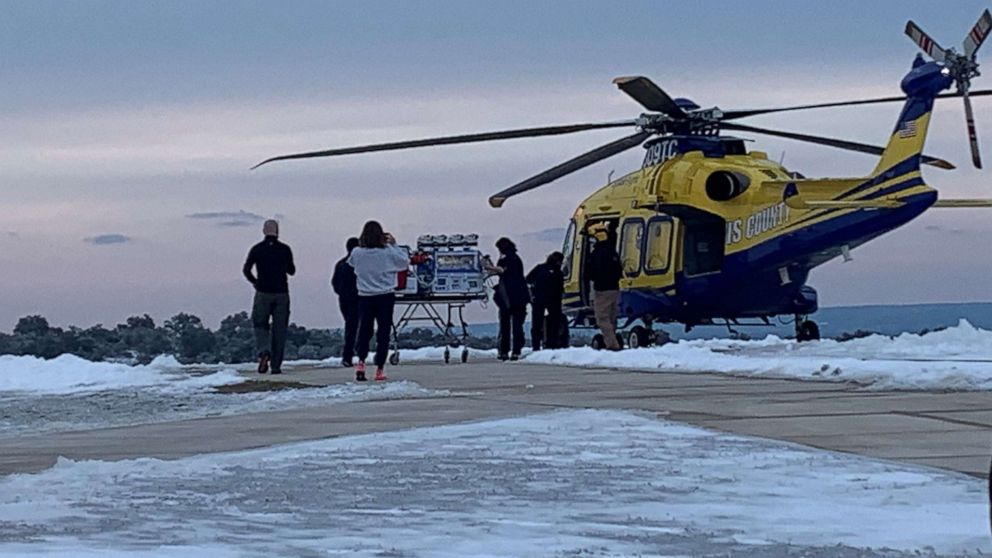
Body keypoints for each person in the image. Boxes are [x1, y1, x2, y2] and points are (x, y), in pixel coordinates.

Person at [348, 220, 409, 382]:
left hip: (365, 296)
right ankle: (379, 368)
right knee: (383, 332)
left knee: (364, 331)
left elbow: (352, 265)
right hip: (385, 296)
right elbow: (404, 263)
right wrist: (394, 245)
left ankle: (361, 362)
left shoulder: (357, 252)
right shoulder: (388, 252)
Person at [243, 219, 296, 374]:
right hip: (281, 293)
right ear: (277, 232)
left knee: (260, 324)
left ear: (264, 231)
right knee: (280, 330)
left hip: (263, 292)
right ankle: (276, 366)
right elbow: (291, 271)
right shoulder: (285, 249)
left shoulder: (257, 249)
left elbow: (246, 269)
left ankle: (264, 351)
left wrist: (256, 282)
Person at [485, 237, 529, 361]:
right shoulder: (515, 258)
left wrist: (486, 267)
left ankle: (504, 351)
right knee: (517, 325)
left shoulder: (508, 258)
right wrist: (490, 266)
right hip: (519, 296)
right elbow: (500, 271)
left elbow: (501, 270)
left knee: (505, 325)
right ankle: (516, 351)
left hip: (508, 297)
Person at [588, 223, 622, 351]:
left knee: (602, 318)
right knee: (611, 317)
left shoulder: (598, 253)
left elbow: (592, 271)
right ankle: (613, 340)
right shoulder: (612, 250)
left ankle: (612, 345)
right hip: (615, 288)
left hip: (602, 289)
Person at [526, 251, 565, 351]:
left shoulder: (540, 268)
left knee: (537, 323)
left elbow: (527, 280)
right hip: (554, 300)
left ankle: (536, 345)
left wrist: (532, 294)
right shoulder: (558, 273)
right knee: (554, 323)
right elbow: (560, 288)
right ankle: (552, 344)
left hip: (539, 298)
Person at [331, 237, 360, 367]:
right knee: (360, 327)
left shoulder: (340, 264)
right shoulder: (358, 265)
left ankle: (348, 355)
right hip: (358, 298)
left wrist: (342, 293)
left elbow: (334, 283)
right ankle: (354, 354)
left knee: (350, 327)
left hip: (344, 299)